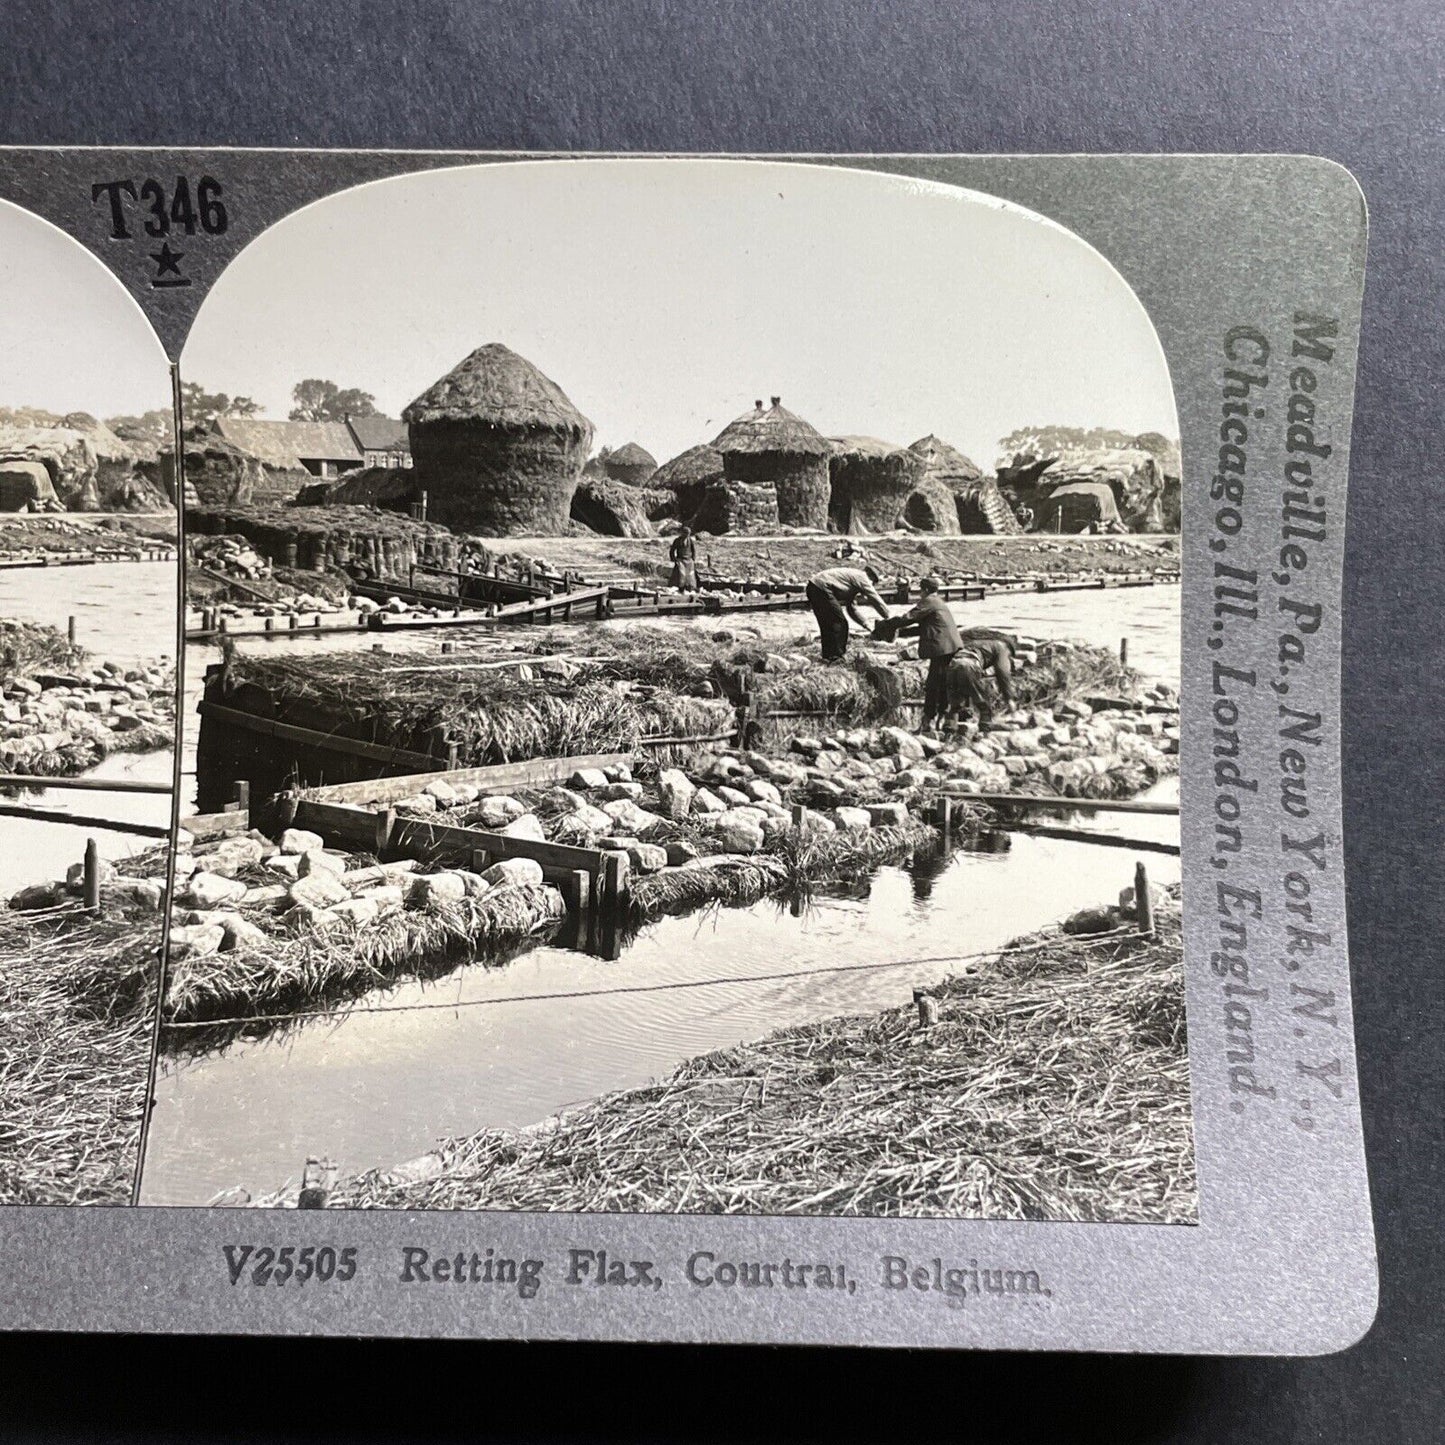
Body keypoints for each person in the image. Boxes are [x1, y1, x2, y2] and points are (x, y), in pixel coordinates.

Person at [887, 576, 963, 735]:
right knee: (941, 684)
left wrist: (886, 625)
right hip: (949, 647)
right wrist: (900, 633)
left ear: (926, 590)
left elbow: (908, 618)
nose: (919, 593)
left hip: (943, 649)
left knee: (933, 685)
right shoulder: (938, 602)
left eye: (920, 589)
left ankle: (929, 721)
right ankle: (940, 720)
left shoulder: (929, 601)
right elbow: (923, 627)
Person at [805, 563, 890, 662]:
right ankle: (836, 657)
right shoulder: (863, 577)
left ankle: (828, 656)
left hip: (813, 587)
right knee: (840, 623)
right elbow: (874, 597)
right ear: (871, 577)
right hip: (822, 587)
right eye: (873, 583)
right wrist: (889, 617)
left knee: (827, 624)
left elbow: (851, 609)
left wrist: (867, 625)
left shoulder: (850, 581)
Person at [668, 526, 698, 591]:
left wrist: (693, 558)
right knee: (680, 574)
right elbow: (672, 550)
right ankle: (677, 586)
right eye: (685, 533)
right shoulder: (677, 540)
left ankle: (690, 586)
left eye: (688, 534)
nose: (687, 535)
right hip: (680, 560)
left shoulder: (690, 541)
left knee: (690, 574)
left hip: (689, 560)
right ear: (682, 533)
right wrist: (673, 559)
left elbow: (693, 550)